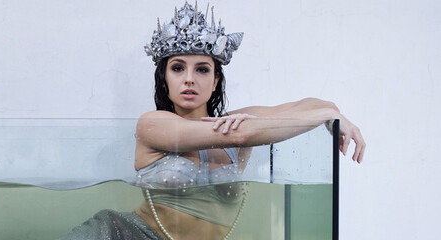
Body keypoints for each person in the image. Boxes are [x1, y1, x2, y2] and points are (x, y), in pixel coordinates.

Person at [60, 2, 365, 240]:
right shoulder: (153, 125)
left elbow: (312, 104)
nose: (189, 79)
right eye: (178, 68)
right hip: (127, 234)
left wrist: (334, 114)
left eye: (202, 69)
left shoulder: (234, 122)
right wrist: (325, 115)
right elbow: (240, 136)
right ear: (164, 80)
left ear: (216, 79)